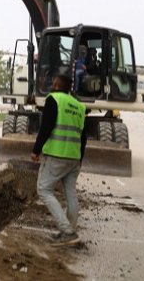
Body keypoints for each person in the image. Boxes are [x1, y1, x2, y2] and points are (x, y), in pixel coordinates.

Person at [30, 73, 87, 247]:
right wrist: (80, 158)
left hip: (56, 155)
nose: (52, 84)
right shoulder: (79, 106)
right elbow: (83, 136)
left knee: (44, 190)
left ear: (56, 84)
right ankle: (71, 231)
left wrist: (36, 150)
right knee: (70, 193)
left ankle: (67, 231)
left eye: (54, 82)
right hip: (74, 157)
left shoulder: (53, 99)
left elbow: (46, 127)